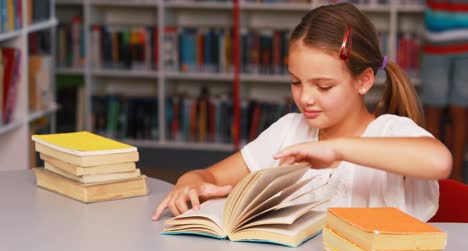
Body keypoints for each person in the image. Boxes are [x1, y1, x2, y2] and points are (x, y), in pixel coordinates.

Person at [152, 3, 452, 222]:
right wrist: (188, 183)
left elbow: (439, 162)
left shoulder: (389, 131)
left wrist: (334, 149)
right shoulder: (290, 130)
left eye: (323, 86)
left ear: (364, 81)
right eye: (296, 82)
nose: (305, 98)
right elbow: (208, 175)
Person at [420, 0, 468, 183]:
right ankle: (437, 175)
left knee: (453, 110)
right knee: (436, 109)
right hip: (437, 41)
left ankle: (452, 176)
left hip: (441, 39)